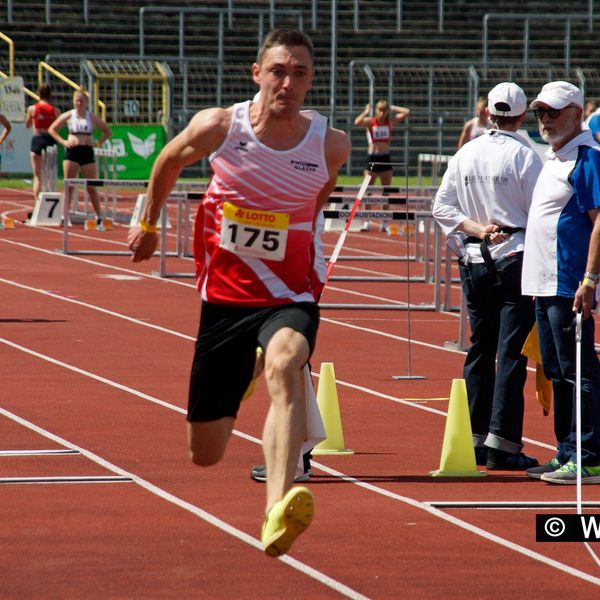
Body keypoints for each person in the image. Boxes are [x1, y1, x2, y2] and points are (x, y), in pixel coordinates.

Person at [129, 28, 350, 555]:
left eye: (300, 73)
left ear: (311, 80)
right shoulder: (219, 127)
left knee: (288, 361)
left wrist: (296, 241)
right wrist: (151, 223)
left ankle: (276, 508)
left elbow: (317, 200)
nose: (288, 82)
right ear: (257, 74)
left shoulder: (330, 143)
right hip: (225, 299)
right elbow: (167, 161)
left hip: (290, 292)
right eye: (278, 70)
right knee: (204, 453)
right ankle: (247, 370)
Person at [433, 82, 543, 470]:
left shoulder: (466, 152)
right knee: (510, 353)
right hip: (514, 258)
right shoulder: (526, 156)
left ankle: (474, 438)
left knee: (480, 349)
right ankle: (503, 445)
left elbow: (441, 207)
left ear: (489, 113)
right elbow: (539, 214)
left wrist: (475, 230)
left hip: (475, 260)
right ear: (520, 116)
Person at [521, 81, 600, 484]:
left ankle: (589, 455)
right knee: (557, 369)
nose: (545, 120)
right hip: (543, 282)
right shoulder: (556, 156)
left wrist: (589, 279)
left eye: (553, 111)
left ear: (575, 112)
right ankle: (568, 449)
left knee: (578, 369)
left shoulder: (586, 157)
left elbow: (599, 219)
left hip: (568, 282)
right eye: (539, 113)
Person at [48, 87, 112, 228]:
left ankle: (99, 216)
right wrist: (63, 141)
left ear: (86, 102)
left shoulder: (91, 116)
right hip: (72, 152)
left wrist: (97, 143)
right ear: (73, 101)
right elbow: (52, 129)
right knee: (68, 186)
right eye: (76, 101)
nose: (78, 103)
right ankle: (65, 216)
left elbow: (107, 131)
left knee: (91, 187)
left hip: (87, 152)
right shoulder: (69, 115)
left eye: (81, 101)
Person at [353, 99, 410, 232]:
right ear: (376, 110)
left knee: (386, 192)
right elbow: (357, 122)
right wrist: (366, 111)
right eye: (379, 109)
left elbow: (407, 112)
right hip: (373, 158)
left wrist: (394, 107)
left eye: (384, 110)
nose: (381, 113)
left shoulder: (390, 122)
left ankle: (385, 222)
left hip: (385, 158)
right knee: (368, 191)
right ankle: (366, 221)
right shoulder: (370, 122)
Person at [25, 83, 60, 201]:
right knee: (50, 176)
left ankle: (37, 204)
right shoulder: (56, 111)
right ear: (50, 95)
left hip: (38, 139)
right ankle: (49, 201)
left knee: (37, 177)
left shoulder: (32, 109)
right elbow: (57, 128)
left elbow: (27, 125)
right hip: (50, 139)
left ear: (38, 94)